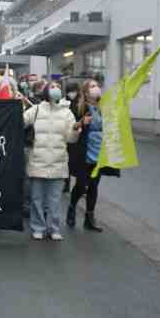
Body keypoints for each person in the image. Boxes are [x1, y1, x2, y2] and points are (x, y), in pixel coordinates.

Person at [24, 82, 80, 241]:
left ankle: (54, 228)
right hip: (37, 161)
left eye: (57, 86)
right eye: (52, 86)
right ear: (46, 91)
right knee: (37, 199)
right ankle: (38, 228)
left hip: (58, 161)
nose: (55, 89)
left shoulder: (66, 112)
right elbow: (20, 122)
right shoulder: (35, 110)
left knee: (54, 200)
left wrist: (75, 129)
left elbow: (71, 139)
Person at [67, 78, 114, 231]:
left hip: (99, 152)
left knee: (94, 185)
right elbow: (72, 126)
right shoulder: (80, 107)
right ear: (86, 92)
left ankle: (89, 219)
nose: (97, 88)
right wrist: (82, 122)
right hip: (84, 151)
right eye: (92, 86)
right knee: (81, 185)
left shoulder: (102, 107)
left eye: (97, 86)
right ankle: (72, 208)